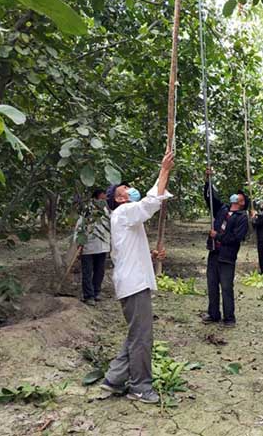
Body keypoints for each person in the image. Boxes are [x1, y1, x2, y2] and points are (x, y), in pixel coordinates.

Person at [99, 151, 174, 405]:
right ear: (119, 201)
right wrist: (163, 171)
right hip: (133, 286)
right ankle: (140, 386)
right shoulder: (124, 213)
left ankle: (114, 379)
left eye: (128, 188)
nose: (129, 192)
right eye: (123, 192)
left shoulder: (126, 218)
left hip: (132, 282)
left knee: (136, 333)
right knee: (142, 336)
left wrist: (151, 255)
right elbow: (149, 204)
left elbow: (130, 252)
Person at [202, 169, 249, 327]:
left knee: (227, 287)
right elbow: (210, 199)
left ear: (242, 202)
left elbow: (236, 238)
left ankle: (229, 318)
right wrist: (208, 181)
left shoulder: (242, 218)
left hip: (227, 256)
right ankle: (213, 314)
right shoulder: (222, 209)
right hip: (214, 252)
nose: (236, 195)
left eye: (239, 195)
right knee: (212, 284)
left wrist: (218, 236)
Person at [75, 189, 110, 306]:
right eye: (102, 198)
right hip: (88, 246)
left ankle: (96, 292)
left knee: (99, 271)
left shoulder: (107, 211)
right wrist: (79, 242)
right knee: (87, 272)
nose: (104, 200)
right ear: (96, 198)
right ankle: (88, 296)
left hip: (103, 245)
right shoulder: (87, 211)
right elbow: (79, 226)